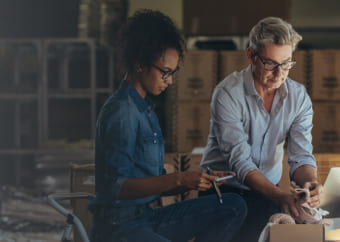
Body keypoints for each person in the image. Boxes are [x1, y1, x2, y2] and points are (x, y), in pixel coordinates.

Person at [88, 9, 247, 242]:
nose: (170, 81)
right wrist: (179, 179)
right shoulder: (123, 112)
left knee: (234, 205)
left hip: (145, 217)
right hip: (117, 228)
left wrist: (199, 178)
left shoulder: (146, 110)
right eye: (165, 72)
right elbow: (114, 187)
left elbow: (156, 184)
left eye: (173, 73)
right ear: (140, 63)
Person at [200, 17, 323, 242]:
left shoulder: (298, 97)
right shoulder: (227, 93)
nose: (279, 74)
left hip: (267, 194)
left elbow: (301, 155)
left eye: (286, 63)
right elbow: (240, 162)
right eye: (270, 64)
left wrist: (310, 183)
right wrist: (279, 196)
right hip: (222, 193)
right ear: (250, 56)